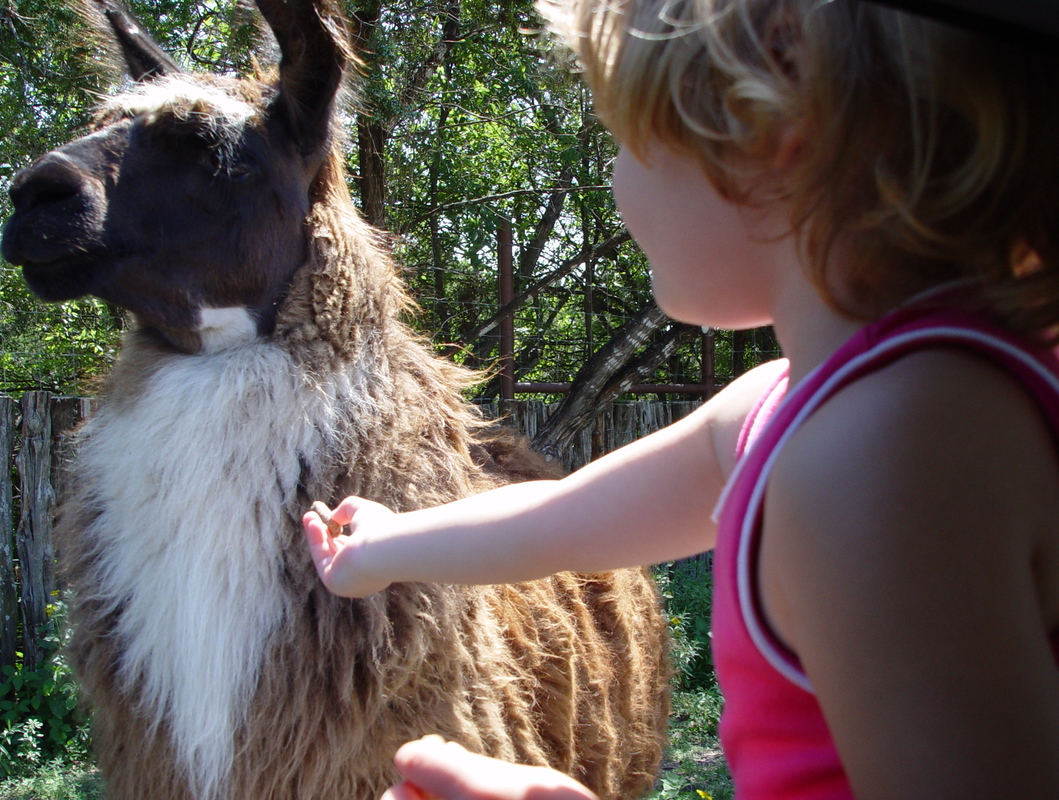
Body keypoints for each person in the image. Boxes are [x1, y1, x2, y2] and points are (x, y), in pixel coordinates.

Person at [303, 0, 1059, 797]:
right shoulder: (795, 404)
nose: (614, 178)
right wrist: (382, 549)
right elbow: (567, 518)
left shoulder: (887, 453)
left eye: (624, 141)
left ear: (767, 135)